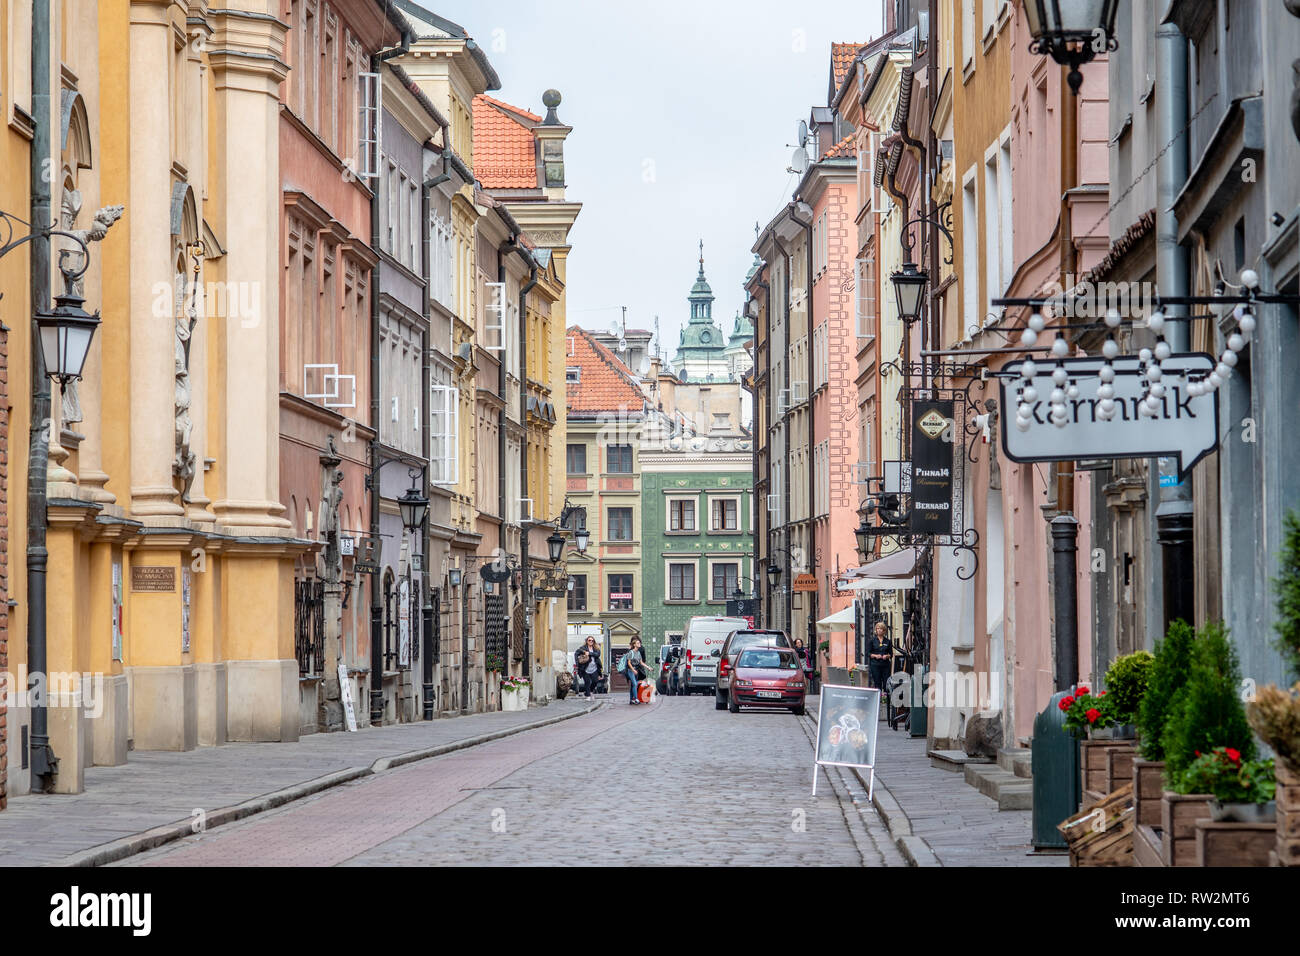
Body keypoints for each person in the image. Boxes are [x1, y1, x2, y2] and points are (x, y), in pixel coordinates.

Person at [868, 621, 894, 694]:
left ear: (884, 630)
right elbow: (868, 653)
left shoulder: (888, 641)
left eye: (881, 629)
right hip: (875, 665)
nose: (879, 630)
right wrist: (876, 656)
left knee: (886, 681)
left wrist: (887, 656)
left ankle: (886, 697)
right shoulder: (872, 641)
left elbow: (891, 654)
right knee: (877, 681)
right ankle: (878, 697)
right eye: (877, 628)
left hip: (885, 665)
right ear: (876, 630)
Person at [575, 636, 602, 700]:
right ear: (587, 641)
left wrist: (589, 653)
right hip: (585, 668)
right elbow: (576, 653)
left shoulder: (596, 648)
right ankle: (588, 696)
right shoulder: (583, 648)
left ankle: (591, 691)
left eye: (592, 640)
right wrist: (577, 663)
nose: (591, 642)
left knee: (595, 681)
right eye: (589, 640)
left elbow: (597, 654)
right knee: (587, 682)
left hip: (594, 668)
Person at [622, 637, 647, 704]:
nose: (640, 644)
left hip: (636, 669)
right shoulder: (631, 651)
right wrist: (633, 670)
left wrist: (648, 667)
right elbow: (628, 662)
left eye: (639, 642)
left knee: (633, 684)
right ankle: (636, 699)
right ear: (634, 644)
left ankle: (631, 700)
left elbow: (642, 662)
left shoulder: (638, 652)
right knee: (635, 684)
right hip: (631, 670)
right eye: (638, 643)